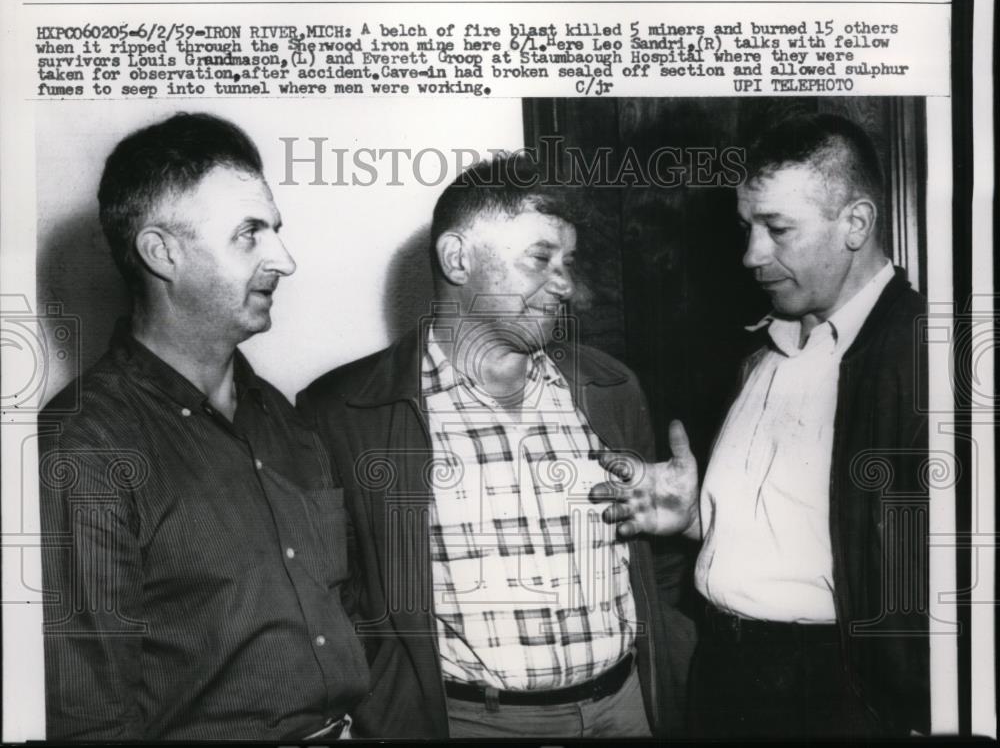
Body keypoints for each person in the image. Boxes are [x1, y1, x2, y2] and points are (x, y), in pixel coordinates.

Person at [298, 154, 695, 739]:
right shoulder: (343, 411)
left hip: (626, 712)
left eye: (569, 263)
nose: (567, 286)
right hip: (467, 724)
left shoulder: (612, 387)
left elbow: (651, 562)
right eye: (541, 258)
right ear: (458, 258)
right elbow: (333, 598)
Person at [593, 112, 929, 737]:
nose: (752, 255)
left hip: (835, 692)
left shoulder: (926, 360)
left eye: (778, 229)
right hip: (724, 668)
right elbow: (804, 527)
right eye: (747, 228)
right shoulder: (758, 348)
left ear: (855, 223)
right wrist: (695, 518)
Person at [38, 113, 368, 740]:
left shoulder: (288, 424)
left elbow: (342, 614)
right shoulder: (82, 446)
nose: (285, 259)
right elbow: (86, 719)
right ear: (162, 253)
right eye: (250, 234)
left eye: (275, 230)